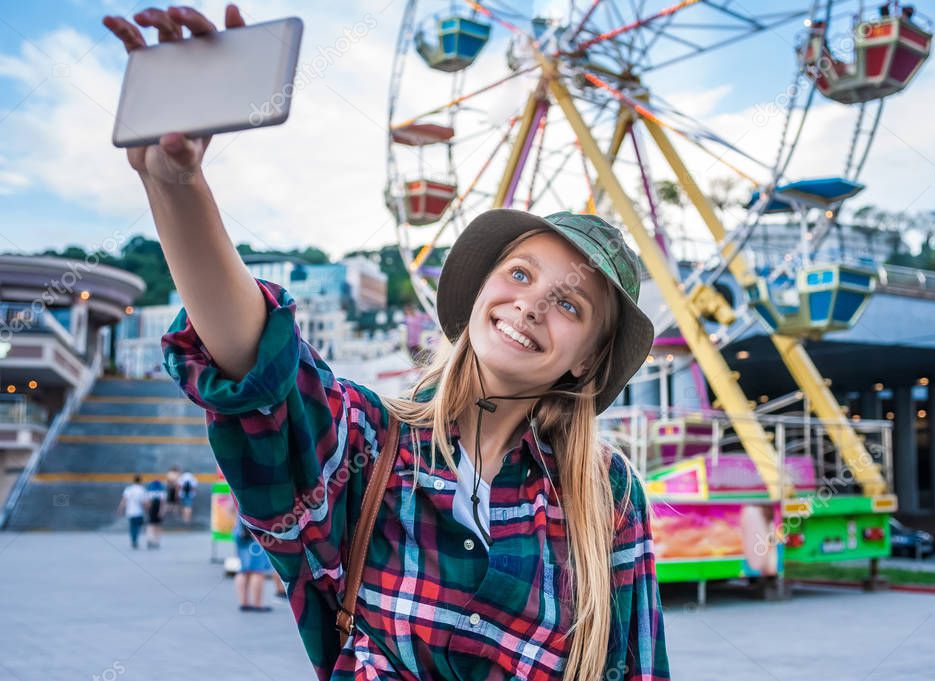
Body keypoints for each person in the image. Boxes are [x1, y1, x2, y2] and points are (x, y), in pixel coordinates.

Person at [104, 6, 670, 679]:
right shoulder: (371, 445)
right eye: (519, 273)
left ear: (586, 359)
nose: (531, 303)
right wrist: (178, 186)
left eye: (569, 303)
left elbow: (637, 667)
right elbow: (260, 368)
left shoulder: (607, 495)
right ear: (483, 290)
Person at [233, 509, 272, 612]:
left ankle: (244, 603)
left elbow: (230, 508)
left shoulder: (237, 492)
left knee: (243, 568)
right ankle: (257, 604)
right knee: (257, 570)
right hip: (254, 531)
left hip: (239, 529)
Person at [117, 474, 147, 549]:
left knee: (132, 526)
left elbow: (124, 500)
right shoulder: (142, 489)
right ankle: (135, 539)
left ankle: (133, 540)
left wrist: (120, 509)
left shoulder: (128, 489)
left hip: (130, 511)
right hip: (139, 512)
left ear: (133, 481)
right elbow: (144, 502)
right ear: (140, 481)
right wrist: (147, 509)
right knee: (137, 526)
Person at [144, 479, 166, 549]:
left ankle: (150, 539)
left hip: (152, 510)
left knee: (151, 525)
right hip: (157, 510)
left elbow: (147, 503)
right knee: (157, 526)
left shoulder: (150, 492)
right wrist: (161, 511)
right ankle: (156, 541)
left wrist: (148, 510)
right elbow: (163, 503)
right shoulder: (162, 492)